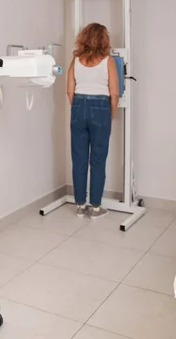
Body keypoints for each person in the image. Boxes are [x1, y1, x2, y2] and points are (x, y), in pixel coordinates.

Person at [66, 23, 119, 219]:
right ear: (104, 39)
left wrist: (78, 108)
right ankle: (96, 207)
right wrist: (109, 115)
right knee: (98, 159)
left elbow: (70, 90)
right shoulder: (108, 61)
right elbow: (114, 94)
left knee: (78, 158)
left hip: (78, 106)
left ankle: (80, 205)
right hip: (100, 108)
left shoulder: (76, 60)